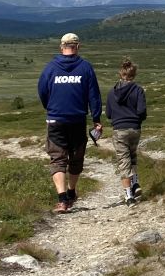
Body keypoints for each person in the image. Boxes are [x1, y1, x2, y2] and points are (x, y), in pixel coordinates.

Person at [36, 32, 102, 213]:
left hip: (55, 119)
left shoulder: (50, 68)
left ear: (61, 47)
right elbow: (94, 95)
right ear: (78, 47)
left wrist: (49, 107)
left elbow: (42, 90)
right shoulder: (86, 68)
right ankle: (71, 192)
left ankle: (62, 199)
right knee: (76, 158)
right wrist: (96, 119)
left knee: (57, 158)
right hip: (77, 120)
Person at [106, 57, 147, 205]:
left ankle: (129, 196)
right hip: (135, 128)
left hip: (119, 129)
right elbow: (142, 111)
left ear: (120, 74)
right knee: (132, 156)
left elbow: (109, 114)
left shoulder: (112, 93)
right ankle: (135, 184)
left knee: (124, 161)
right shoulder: (138, 90)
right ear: (134, 74)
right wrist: (137, 120)